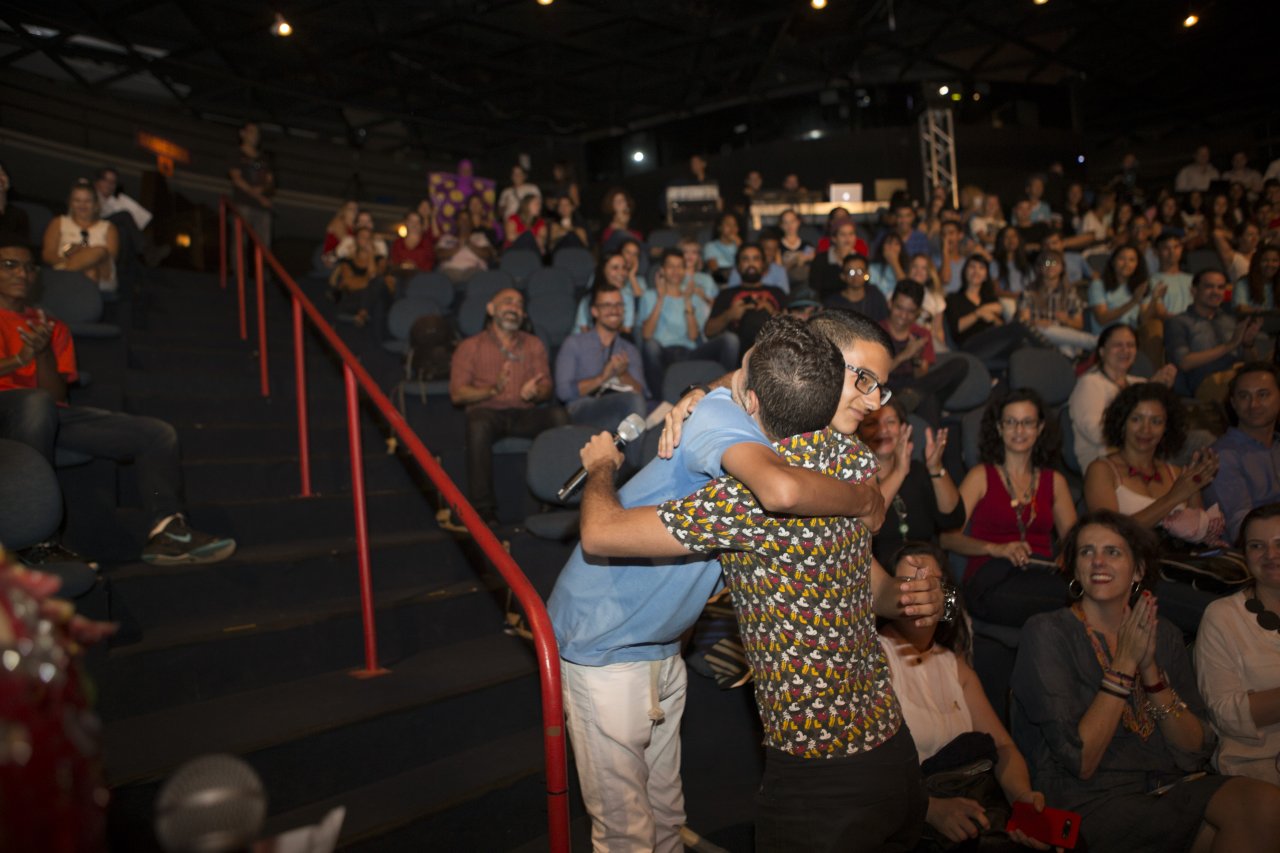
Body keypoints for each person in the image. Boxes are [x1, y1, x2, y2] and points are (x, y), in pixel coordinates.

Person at [572, 313, 941, 853]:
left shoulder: (746, 500)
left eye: (881, 387)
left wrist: (602, 466)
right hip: (890, 747)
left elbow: (600, 532)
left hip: (822, 774)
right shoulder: (857, 463)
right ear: (820, 369)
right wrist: (704, 393)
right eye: (863, 380)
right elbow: (867, 583)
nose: (874, 401)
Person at [1011, 510, 1280, 853]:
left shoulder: (1163, 634)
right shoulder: (1048, 631)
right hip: (1088, 801)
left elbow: (1195, 749)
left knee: (1265, 806)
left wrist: (1151, 674)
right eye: (1086, 552)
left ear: (1138, 569)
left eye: (1113, 552)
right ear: (1074, 567)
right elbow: (1081, 760)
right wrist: (1124, 663)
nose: (1098, 561)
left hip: (1167, 788)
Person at [0, 236, 236, 566]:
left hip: (42, 412)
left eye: (28, 267)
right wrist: (17, 359)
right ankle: (36, 541)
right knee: (34, 405)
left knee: (156, 434)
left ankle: (167, 529)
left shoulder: (51, 326)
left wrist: (41, 355)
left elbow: (55, 398)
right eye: (10, 265)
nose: (21, 274)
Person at [878, 542, 1054, 851]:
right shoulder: (875, 656)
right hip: (906, 826)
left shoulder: (955, 667)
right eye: (910, 582)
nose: (923, 591)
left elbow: (1002, 745)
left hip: (973, 810)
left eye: (933, 581)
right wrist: (929, 809)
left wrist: (1022, 798)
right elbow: (866, 767)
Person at [942, 388, 1078, 627]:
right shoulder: (980, 476)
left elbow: (1076, 543)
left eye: (1027, 422)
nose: (1019, 430)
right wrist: (996, 548)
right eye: (1011, 422)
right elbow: (947, 538)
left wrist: (1065, 561)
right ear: (999, 428)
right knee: (1068, 602)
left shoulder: (1055, 481)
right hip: (991, 578)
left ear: (1040, 428)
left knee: (1082, 591)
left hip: (1039, 574)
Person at [447, 288, 564, 528]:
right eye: (507, 302)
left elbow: (547, 387)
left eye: (519, 304)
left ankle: (558, 497)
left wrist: (535, 392)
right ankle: (483, 510)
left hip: (525, 413)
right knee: (477, 422)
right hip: (489, 413)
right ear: (491, 309)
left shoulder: (533, 344)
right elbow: (458, 394)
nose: (514, 307)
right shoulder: (470, 346)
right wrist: (491, 390)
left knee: (558, 415)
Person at [1195, 502, 1280, 786]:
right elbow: (1225, 714)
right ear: (1244, 554)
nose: (1271, 555)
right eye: (1257, 546)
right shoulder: (1222, 617)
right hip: (1258, 769)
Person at [860, 402, 963, 567]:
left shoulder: (918, 471)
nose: (883, 429)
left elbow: (952, 520)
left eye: (891, 422)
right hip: (880, 577)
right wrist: (899, 472)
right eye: (872, 423)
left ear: (904, 429)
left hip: (927, 569)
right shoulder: (855, 479)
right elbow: (868, 519)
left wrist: (935, 468)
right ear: (858, 433)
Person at [1067, 324, 1177, 473]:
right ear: (1102, 351)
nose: (1125, 350)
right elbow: (1099, 435)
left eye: (1130, 345)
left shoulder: (1139, 383)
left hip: (1146, 456)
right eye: (1118, 345)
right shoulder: (1090, 384)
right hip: (1104, 465)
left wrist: (1158, 391)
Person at [637, 249, 738, 395]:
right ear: (662, 270)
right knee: (650, 346)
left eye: (679, 266)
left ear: (685, 270)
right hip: (663, 352)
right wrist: (660, 298)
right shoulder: (649, 296)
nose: (675, 271)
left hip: (689, 351)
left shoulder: (691, 296)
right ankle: (660, 399)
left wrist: (687, 301)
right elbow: (646, 335)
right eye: (670, 266)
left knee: (730, 340)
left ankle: (724, 392)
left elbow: (692, 336)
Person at [555, 284, 648, 430]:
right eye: (607, 305)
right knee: (629, 414)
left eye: (619, 305)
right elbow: (563, 392)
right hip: (582, 410)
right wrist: (602, 377)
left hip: (620, 409)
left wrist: (623, 374)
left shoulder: (630, 350)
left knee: (634, 408)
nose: (614, 310)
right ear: (594, 311)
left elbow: (640, 395)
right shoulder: (574, 343)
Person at [1206, 363, 1280, 541]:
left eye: (1263, 394)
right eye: (1244, 396)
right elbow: (1240, 529)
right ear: (1233, 403)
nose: (1254, 404)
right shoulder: (1222, 456)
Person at [879, 279, 968, 427]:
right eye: (899, 308)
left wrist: (916, 359)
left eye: (910, 311)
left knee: (960, 364)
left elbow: (921, 375)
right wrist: (904, 356)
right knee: (928, 399)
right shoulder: (876, 331)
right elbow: (875, 376)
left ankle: (905, 402)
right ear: (890, 304)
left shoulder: (921, 334)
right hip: (886, 389)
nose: (903, 316)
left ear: (918, 313)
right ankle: (902, 403)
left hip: (915, 386)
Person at [1165, 269, 1263, 401]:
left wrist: (1247, 344)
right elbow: (1184, 362)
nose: (1216, 292)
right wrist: (1228, 346)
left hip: (1239, 380)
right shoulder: (1179, 322)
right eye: (1209, 287)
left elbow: (1252, 363)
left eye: (1220, 287)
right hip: (1207, 385)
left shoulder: (1230, 321)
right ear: (1193, 291)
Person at [945, 255, 1044, 369]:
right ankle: (1053, 353)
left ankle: (1046, 362)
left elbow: (1001, 327)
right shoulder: (953, 298)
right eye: (972, 267)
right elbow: (957, 328)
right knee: (1019, 325)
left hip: (992, 343)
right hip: (971, 346)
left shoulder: (991, 300)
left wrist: (993, 319)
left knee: (1022, 346)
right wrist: (979, 313)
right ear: (965, 272)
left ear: (986, 276)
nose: (976, 271)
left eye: (981, 268)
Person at [704, 243, 787, 353]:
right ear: (738, 266)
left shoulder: (777, 292)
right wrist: (729, 315)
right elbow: (708, 331)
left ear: (763, 264)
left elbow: (793, 327)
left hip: (772, 352)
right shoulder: (726, 294)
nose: (751, 264)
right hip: (738, 355)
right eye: (745, 259)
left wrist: (772, 312)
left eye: (756, 259)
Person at [41, 180, 119, 295]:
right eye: (77, 200)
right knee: (90, 273)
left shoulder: (109, 227)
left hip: (102, 276)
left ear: (96, 204)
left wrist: (82, 252)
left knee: (99, 252)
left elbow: (111, 258)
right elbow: (48, 254)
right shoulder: (58, 222)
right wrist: (73, 259)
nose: (82, 205)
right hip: (66, 267)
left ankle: (61, 280)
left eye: (87, 201)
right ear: (70, 203)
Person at [1019, 249, 1096, 358]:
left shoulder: (1069, 292)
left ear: (1062, 267)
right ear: (1040, 268)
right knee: (1043, 329)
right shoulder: (1030, 291)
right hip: (1038, 335)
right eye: (1047, 263)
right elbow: (1023, 321)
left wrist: (1066, 320)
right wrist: (1036, 322)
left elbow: (1079, 324)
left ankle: (1073, 358)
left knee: (1067, 350)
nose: (1051, 266)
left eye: (1055, 263)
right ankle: (1094, 342)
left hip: (1063, 334)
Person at [1085, 245, 1156, 335]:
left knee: (1155, 326)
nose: (1126, 264)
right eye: (1122, 259)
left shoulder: (1140, 287)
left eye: (1132, 260)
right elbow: (1102, 319)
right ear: (1113, 262)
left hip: (1132, 336)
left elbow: (1143, 320)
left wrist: (1155, 299)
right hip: (1107, 336)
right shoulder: (1098, 285)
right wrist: (1133, 301)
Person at [227, 121, 274, 253]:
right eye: (251, 132)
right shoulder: (237, 154)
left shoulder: (264, 158)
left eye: (257, 133)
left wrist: (264, 189)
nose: (255, 136)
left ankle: (264, 273)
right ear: (243, 133)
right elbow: (237, 179)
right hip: (243, 204)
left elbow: (270, 181)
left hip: (262, 208)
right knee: (240, 243)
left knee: (264, 245)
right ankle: (239, 273)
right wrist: (258, 196)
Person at [572, 252, 636, 334]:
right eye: (615, 268)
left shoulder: (627, 296)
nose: (622, 273)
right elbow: (584, 330)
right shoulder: (589, 297)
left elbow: (626, 331)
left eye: (624, 268)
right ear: (603, 270)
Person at [823, 252, 889, 320]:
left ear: (867, 273)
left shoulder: (875, 294)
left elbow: (885, 322)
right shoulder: (833, 303)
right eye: (851, 272)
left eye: (860, 271)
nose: (856, 276)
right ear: (843, 276)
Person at [1232, 244, 1280, 314]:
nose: (1270, 264)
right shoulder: (1244, 283)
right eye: (1265, 260)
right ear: (1257, 263)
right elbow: (1241, 308)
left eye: (1275, 261)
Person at [389, 209, 435, 273]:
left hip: (421, 278)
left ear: (421, 225)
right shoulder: (398, 243)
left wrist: (415, 267)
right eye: (411, 221)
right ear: (406, 223)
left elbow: (429, 265)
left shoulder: (427, 244)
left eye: (417, 222)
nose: (414, 225)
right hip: (400, 276)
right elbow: (393, 263)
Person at [701, 212, 742, 282]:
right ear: (719, 227)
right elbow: (714, 270)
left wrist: (740, 247)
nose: (732, 228)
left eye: (734, 225)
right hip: (719, 282)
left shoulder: (741, 246)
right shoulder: (710, 247)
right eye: (728, 224)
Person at [321, 200, 357, 266]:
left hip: (346, 258)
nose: (353, 211)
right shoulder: (338, 221)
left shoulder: (355, 227)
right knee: (349, 241)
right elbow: (345, 240)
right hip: (330, 257)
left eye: (355, 209)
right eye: (350, 208)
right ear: (344, 210)